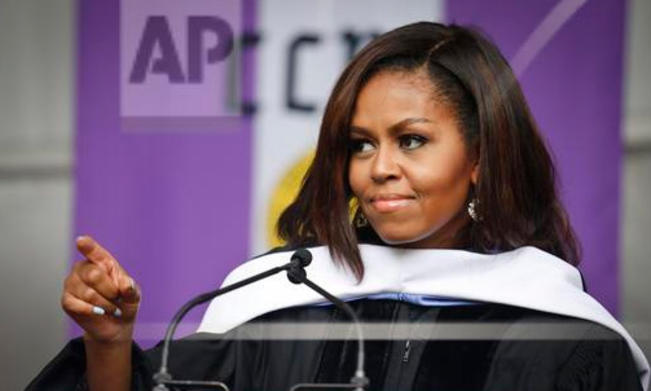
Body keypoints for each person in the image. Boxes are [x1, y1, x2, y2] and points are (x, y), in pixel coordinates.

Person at [28, 21, 648, 391]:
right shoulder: (277, 299)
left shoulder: (560, 326)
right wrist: (111, 345)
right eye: (360, 145)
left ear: (481, 158)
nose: (379, 167)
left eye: (412, 140)